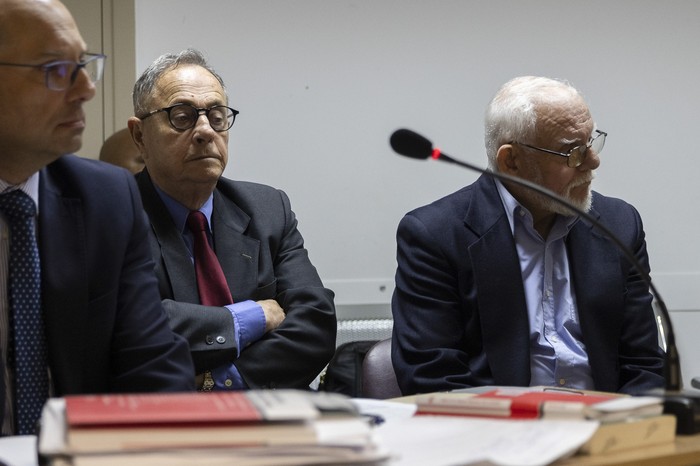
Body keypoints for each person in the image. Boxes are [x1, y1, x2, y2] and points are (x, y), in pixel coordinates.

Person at [391, 76, 664, 396]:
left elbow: (644, 365)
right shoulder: (435, 235)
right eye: (572, 152)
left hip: (609, 431)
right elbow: (433, 378)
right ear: (512, 161)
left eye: (590, 142)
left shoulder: (619, 225)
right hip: (499, 434)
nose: (593, 162)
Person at [0, 0, 195, 436]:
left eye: (83, 65)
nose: (87, 88)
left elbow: (154, 367)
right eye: (55, 69)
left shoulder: (105, 198)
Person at [127, 49, 337, 391]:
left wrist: (218, 382)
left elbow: (316, 324)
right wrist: (255, 316)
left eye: (217, 115)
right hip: (160, 419)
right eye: (182, 116)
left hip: (267, 416)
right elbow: (135, 325)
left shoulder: (267, 208)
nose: (205, 131)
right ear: (140, 136)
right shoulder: (115, 213)